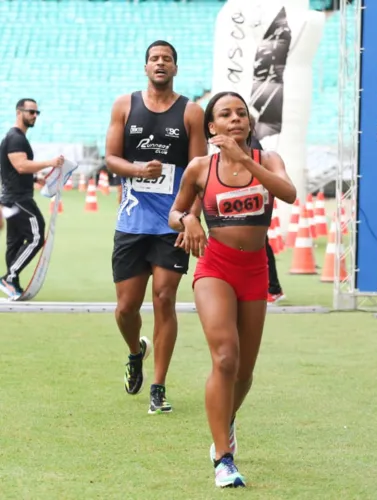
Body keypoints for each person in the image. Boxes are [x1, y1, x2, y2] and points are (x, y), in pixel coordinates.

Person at [167, 90, 296, 488]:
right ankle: (223, 457)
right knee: (225, 357)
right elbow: (176, 211)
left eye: (242, 113)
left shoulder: (267, 160)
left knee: (244, 372)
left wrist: (244, 160)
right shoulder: (200, 168)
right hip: (215, 267)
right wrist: (187, 222)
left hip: (255, 270)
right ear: (212, 127)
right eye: (226, 114)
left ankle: (226, 418)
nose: (236, 119)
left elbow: (289, 194)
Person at [104, 40, 206, 414]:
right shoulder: (124, 105)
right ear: (145, 67)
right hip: (132, 220)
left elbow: (200, 171)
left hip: (171, 221)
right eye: (154, 58)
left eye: (167, 59)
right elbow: (112, 158)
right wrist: (136, 169)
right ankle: (135, 352)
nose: (160, 63)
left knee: (164, 298)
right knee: (126, 308)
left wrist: (190, 217)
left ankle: (159, 387)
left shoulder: (191, 112)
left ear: (175, 68)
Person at [0, 98, 64, 298]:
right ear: (19, 112)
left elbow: (14, 169)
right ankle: (9, 278)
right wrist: (50, 162)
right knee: (36, 236)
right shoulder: (16, 138)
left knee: (16, 242)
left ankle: (11, 284)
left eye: (37, 112)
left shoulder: (15, 138)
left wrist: (36, 178)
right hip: (19, 199)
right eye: (31, 112)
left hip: (11, 197)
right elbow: (20, 165)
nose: (34, 116)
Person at [249, 113, 285, 303]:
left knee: (261, 245)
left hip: (255, 206)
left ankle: (273, 288)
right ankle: (271, 287)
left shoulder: (252, 148)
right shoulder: (248, 146)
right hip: (253, 205)